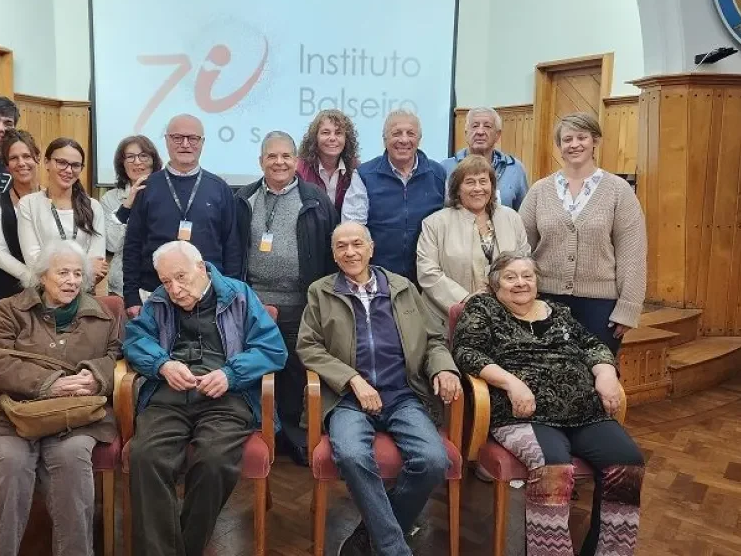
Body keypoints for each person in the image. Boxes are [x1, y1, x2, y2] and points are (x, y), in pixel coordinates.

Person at [452, 252, 644, 556]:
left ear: (537, 281)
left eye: (527, 276)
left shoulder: (558, 311)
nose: (520, 283)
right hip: (522, 413)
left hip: (585, 411)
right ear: (495, 284)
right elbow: (467, 352)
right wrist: (512, 383)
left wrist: (606, 374)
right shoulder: (483, 308)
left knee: (627, 463)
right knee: (553, 467)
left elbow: (593, 345)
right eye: (510, 277)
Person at [297, 221, 462, 556]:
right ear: (334, 255)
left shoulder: (402, 287)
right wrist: (353, 380)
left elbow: (432, 339)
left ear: (371, 248)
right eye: (341, 246)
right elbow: (309, 346)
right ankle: (393, 548)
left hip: (402, 395)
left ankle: (369, 535)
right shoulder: (320, 291)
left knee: (433, 460)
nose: (350, 252)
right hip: (347, 398)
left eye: (357, 244)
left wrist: (444, 367)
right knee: (352, 455)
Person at [123, 240, 286, 556]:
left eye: (180, 277)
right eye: (166, 281)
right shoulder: (158, 301)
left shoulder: (239, 295)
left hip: (227, 398)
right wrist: (163, 364)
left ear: (201, 268)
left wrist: (230, 374)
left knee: (214, 460)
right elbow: (134, 342)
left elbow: (272, 349)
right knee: (146, 457)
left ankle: (186, 548)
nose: (174, 289)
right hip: (169, 397)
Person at [0, 239, 120, 556]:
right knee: (10, 461)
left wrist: (96, 377)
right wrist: (47, 383)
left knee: (72, 457)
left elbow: (115, 356)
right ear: (42, 276)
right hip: (10, 412)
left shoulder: (103, 315)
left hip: (75, 414)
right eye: (63, 272)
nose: (71, 281)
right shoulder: (10, 309)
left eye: (78, 274)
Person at [234, 131, 337, 463]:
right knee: (253, 370)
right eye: (272, 156)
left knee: (293, 371)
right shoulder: (243, 199)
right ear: (260, 161)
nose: (279, 162)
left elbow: (328, 254)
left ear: (296, 160)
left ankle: (291, 435)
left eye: (286, 156)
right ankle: (259, 432)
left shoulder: (316, 199)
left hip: (300, 303)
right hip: (252, 304)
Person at [519, 113, 646, 354]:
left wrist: (628, 308)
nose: (574, 144)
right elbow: (520, 248)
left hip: (600, 307)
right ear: (559, 146)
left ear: (595, 141)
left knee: (598, 371)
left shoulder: (618, 191)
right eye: (567, 139)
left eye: (582, 137)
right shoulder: (539, 191)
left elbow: (633, 254)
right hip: (544, 301)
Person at [123, 114, 242, 317]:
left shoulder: (219, 188)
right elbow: (133, 244)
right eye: (177, 138)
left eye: (193, 138)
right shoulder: (148, 187)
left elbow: (231, 246)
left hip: (208, 297)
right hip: (155, 293)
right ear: (167, 140)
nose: (185, 144)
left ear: (202, 142)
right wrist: (131, 296)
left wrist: (231, 293)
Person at [417, 155, 529, 332]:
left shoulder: (512, 218)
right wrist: (467, 300)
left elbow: (524, 264)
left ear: (492, 186)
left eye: (483, 181)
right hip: (448, 323)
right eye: (470, 182)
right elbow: (427, 272)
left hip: (506, 321)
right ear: (457, 189)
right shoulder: (434, 224)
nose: (478, 188)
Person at [341, 109, 446, 284]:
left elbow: (450, 223)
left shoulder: (439, 174)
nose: (404, 140)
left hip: (428, 278)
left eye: (410, 133)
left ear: (419, 139)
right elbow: (352, 229)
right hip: (378, 278)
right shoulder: (365, 175)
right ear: (384, 140)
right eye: (396, 133)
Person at [18, 138, 108, 286]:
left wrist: (72, 278)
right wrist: (83, 268)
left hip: (82, 291)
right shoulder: (29, 204)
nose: (68, 170)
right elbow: (34, 261)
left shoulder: (93, 206)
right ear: (47, 162)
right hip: (44, 291)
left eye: (75, 165)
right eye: (61, 162)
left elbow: (97, 265)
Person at [99, 135, 163, 296]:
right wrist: (127, 205)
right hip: (122, 286)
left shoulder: (167, 194)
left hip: (161, 283)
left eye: (143, 156)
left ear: (153, 161)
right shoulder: (110, 199)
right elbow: (112, 245)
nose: (137, 162)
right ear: (122, 163)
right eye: (130, 157)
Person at [0, 129, 42, 302]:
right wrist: (35, 280)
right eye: (14, 158)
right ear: (6, 165)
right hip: (11, 293)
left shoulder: (51, 199)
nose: (21, 163)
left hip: (55, 292)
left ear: (37, 158)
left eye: (27, 156)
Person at [441, 107, 529, 210]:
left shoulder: (515, 169)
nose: (480, 132)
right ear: (466, 133)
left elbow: (523, 213)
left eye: (487, 126)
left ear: (497, 135)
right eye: (475, 126)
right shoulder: (445, 168)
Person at [296, 108, 360, 213]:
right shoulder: (299, 169)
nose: (332, 138)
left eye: (338, 133)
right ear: (315, 138)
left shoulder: (355, 169)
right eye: (326, 133)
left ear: (346, 139)